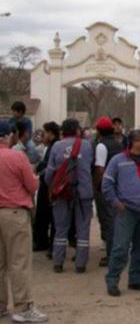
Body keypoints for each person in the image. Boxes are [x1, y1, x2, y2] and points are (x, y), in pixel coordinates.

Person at [0, 120, 48, 323]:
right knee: (19, 262)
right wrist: (35, 178)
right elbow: (31, 185)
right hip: (14, 212)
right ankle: (23, 306)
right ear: (8, 136)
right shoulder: (16, 156)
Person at [102, 130, 140, 297]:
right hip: (126, 211)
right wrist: (116, 203)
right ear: (134, 143)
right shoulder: (117, 161)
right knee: (120, 247)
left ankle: (135, 279)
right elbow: (107, 184)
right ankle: (112, 280)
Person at [44, 118, 94, 273]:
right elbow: (90, 166)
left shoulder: (56, 146)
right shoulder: (87, 145)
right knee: (83, 228)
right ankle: (80, 264)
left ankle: (58, 262)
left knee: (60, 228)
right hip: (83, 192)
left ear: (62, 131)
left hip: (62, 192)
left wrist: (52, 187)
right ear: (78, 131)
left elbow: (50, 172)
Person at [93, 116, 124, 267]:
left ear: (99, 131)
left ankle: (111, 255)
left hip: (106, 189)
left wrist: (98, 187)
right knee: (116, 222)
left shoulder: (101, 146)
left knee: (107, 222)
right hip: (118, 187)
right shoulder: (118, 144)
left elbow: (100, 168)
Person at [33, 122, 60, 253]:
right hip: (48, 183)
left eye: (44, 133)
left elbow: (50, 165)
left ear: (51, 133)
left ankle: (45, 243)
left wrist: (38, 168)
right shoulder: (50, 146)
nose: (42, 136)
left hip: (49, 184)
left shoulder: (55, 146)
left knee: (46, 214)